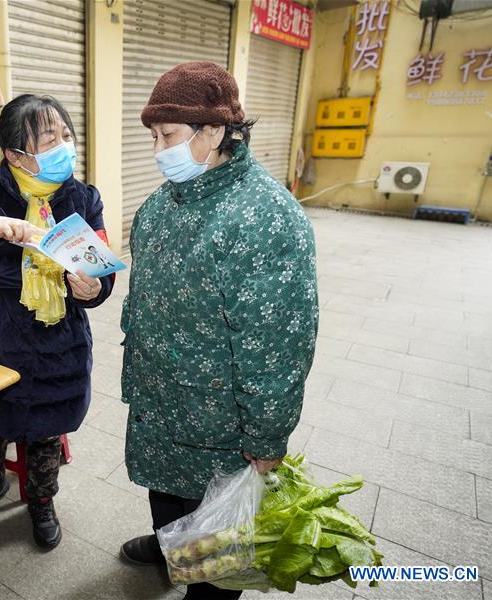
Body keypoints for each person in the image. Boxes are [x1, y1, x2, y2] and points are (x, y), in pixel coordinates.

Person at [118, 62, 319, 599]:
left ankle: (202, 581)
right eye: (154, 136)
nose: (158, 149)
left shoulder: (267, 217)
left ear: (215, 131)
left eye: (169, 136)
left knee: (218, 541)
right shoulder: (162, 204)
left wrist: (268, 434)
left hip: (221, 418)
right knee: (167, 493)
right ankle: (171, 549)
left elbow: (279, 344)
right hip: (161, 399)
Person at [0, 94, 115, 550]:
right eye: (50, 140)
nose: (64, 148)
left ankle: (42, 499)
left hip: (56, 333)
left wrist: (94, 289)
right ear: (15, 155)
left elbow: (100, 268)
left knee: (48, 424)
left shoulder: (82, 197)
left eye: (66, 137)